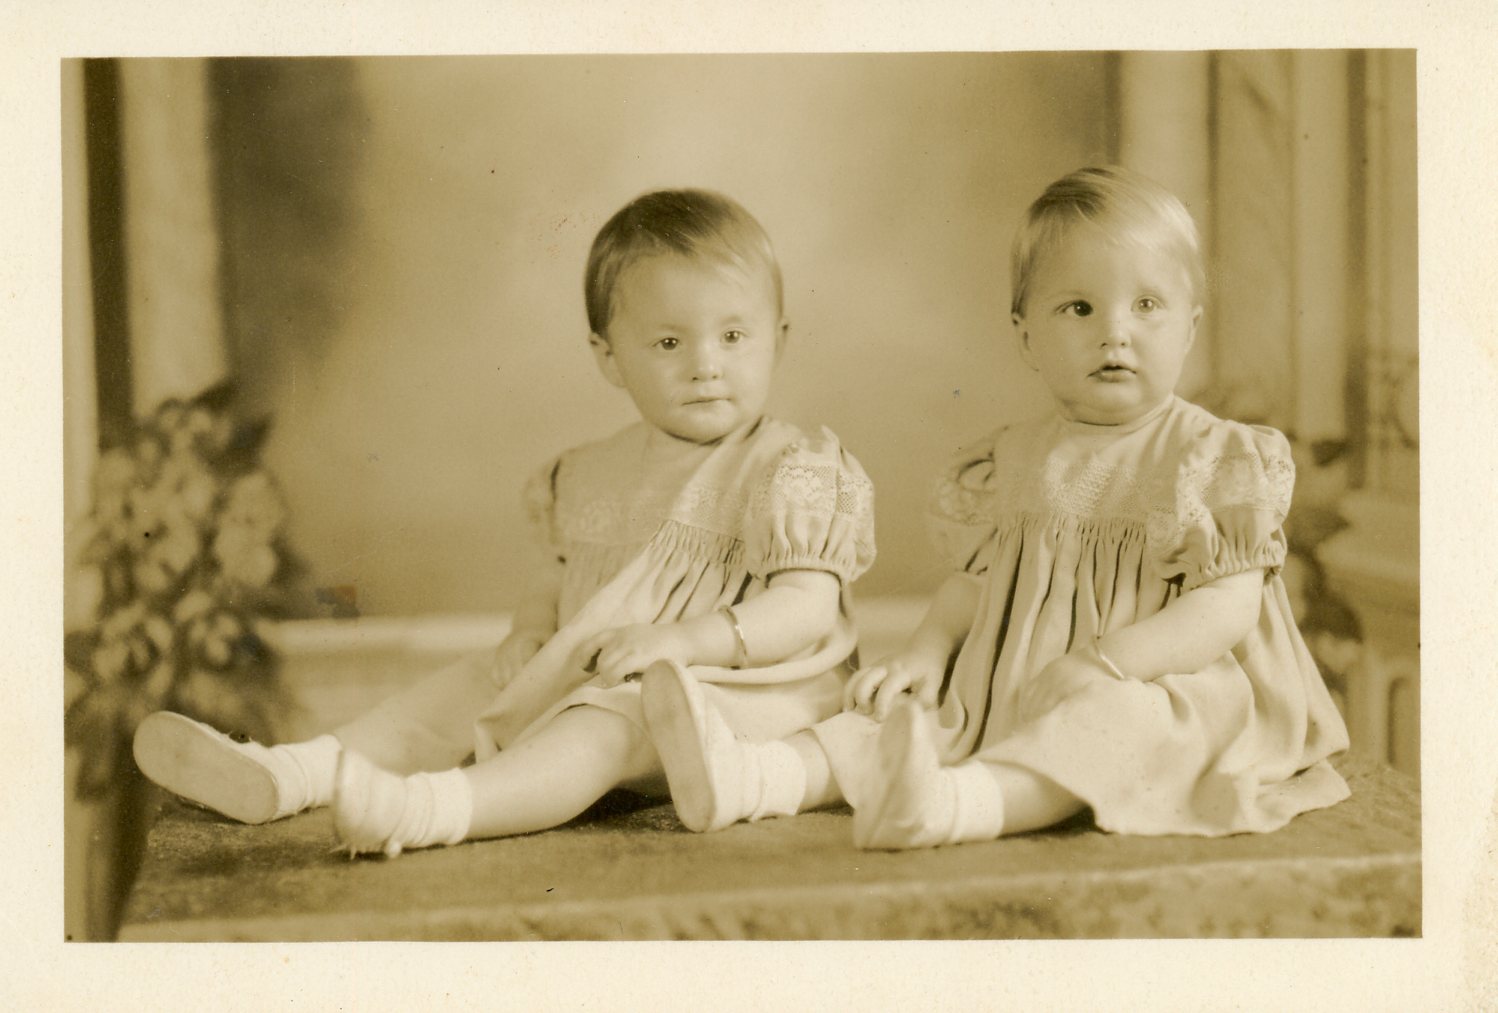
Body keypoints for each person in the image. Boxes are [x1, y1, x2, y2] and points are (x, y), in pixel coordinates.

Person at [133, 188, 875, 856]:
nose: (706, 365)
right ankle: (297, 770)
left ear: (780, 337)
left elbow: (805, 608)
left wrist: (684, 641)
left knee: (609, 720)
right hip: (602, 668)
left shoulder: (793, 469)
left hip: (736, 698)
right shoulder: (589, 471)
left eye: (734, 337)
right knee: (469, 683)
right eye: (670, 343)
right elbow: (557, 576)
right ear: (609, 358)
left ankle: (432, 808)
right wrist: (530, 631)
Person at [642, 166, 1350, 850]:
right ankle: (754, 777)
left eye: (1147, 306)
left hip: (1160, 682)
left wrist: (1107, 662)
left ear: (1189, 328)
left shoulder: (1210, 456)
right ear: (1026, 336)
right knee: (897, 712)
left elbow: (1226, 608)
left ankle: (954, 806)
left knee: (1116, 724)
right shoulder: (1013, 457)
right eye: (1079, 309)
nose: (1115, 333)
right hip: (1011, 686)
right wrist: (926, 650)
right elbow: (978, 584)